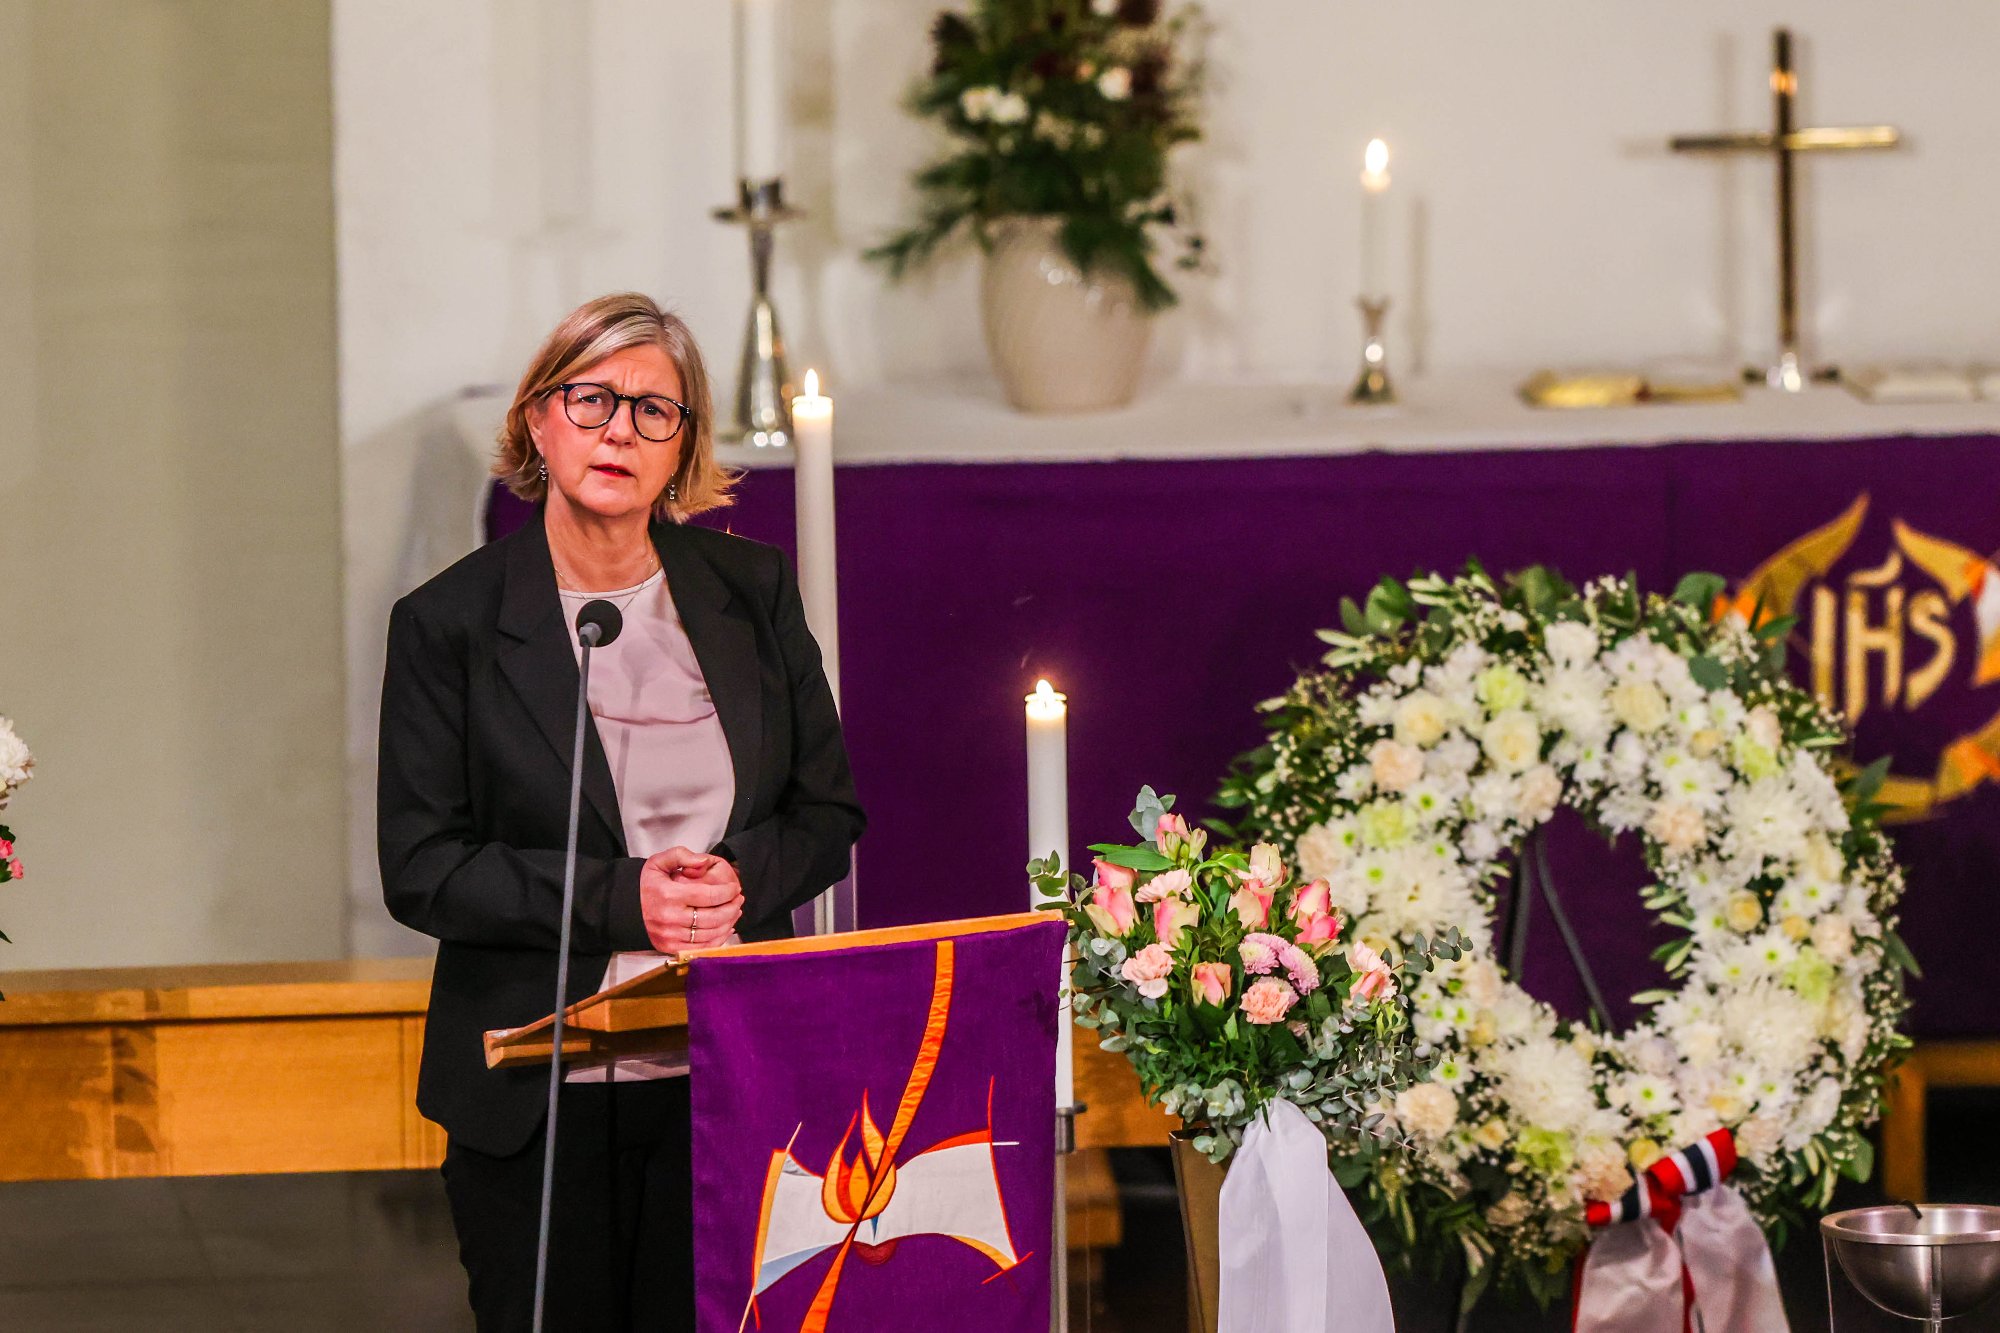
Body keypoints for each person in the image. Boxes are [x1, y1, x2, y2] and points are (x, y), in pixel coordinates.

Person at [377, 291, 864, 1330]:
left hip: (724, 1079)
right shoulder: (449, 624)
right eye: (592, 398)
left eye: (656, 411)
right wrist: (621, 897)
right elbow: (423, 864)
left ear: (681, 448)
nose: (619, 431)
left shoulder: (749, 590)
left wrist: (741, 877)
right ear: (538, 421)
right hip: (539, 1093)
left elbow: (826, 810)